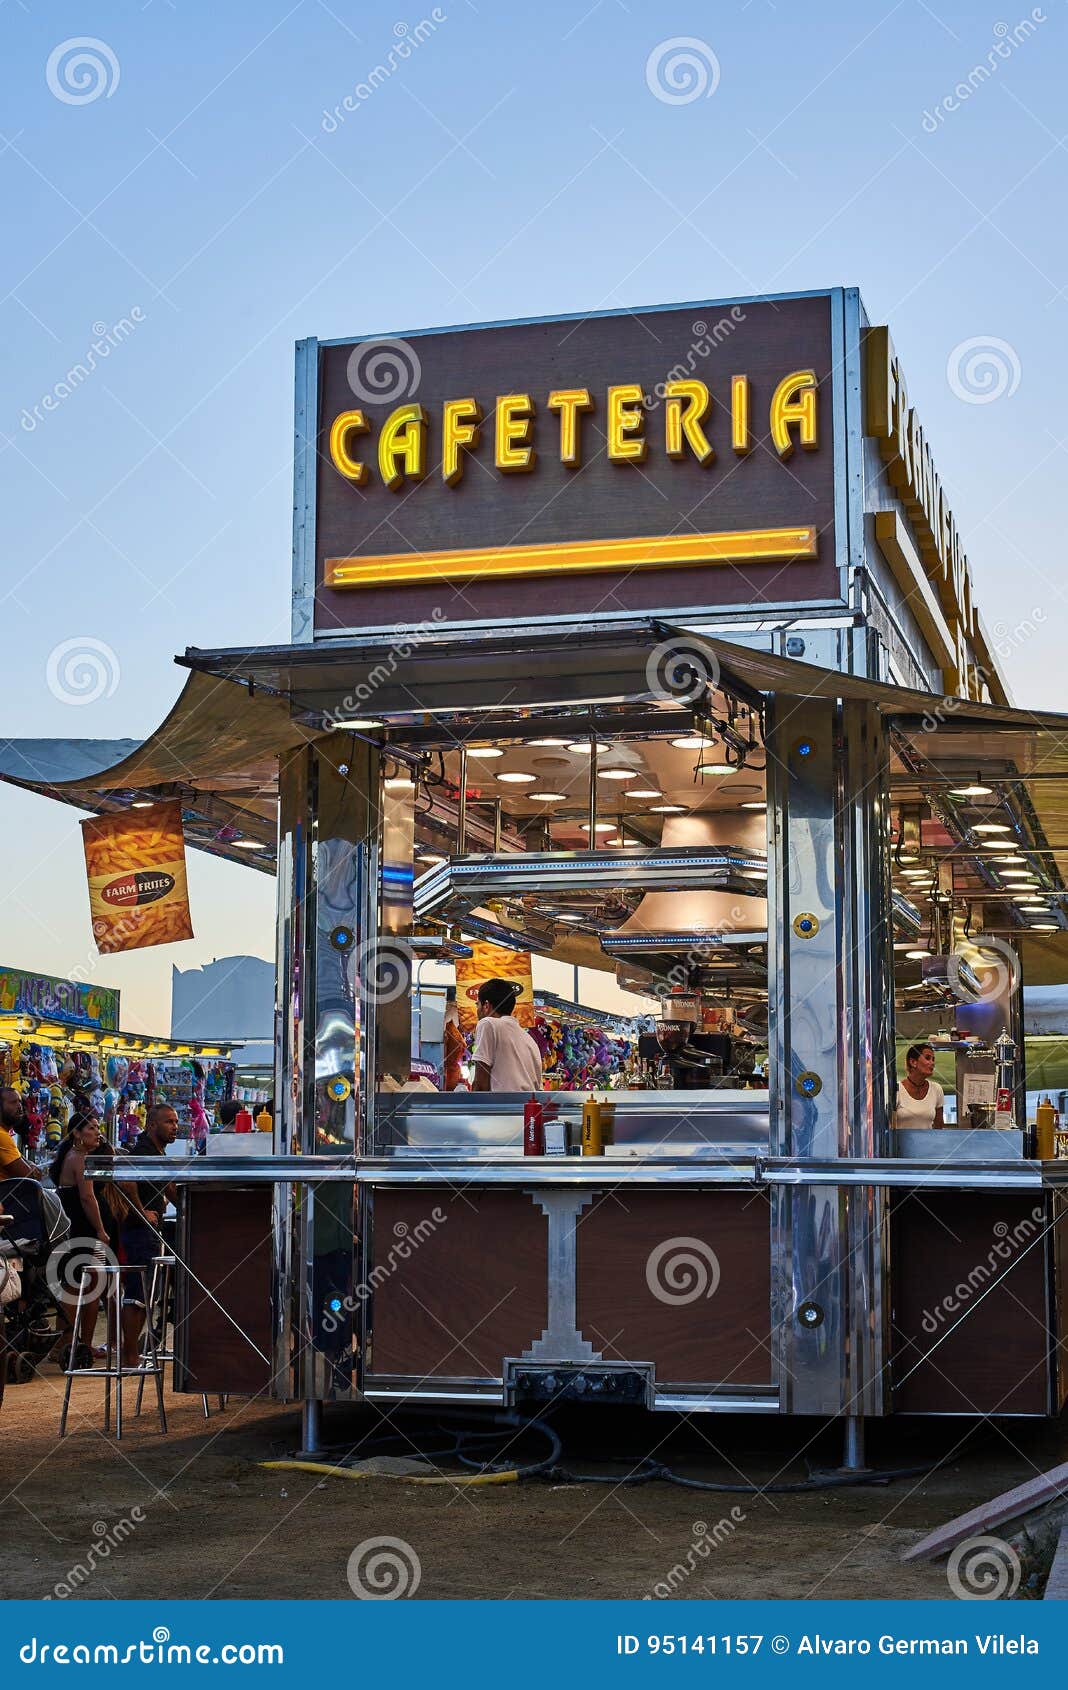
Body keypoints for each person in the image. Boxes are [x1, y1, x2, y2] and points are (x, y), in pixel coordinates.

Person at [50, 1112, 111, 1367]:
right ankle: (75, 1344)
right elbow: (87, 1198)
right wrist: (100, 1230)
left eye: (98, 1127)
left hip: (71, 1226)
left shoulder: (69, 1156)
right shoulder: (79, 1158)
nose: (97, 1132)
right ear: (76, 1133)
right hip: (81, 1227)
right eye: (91, 1128)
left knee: (80, 1284)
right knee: (84, 1285)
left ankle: (72, 1343)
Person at [120, 1103, 178, 1367]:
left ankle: (132, 1354)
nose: (174, 1127)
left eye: (176, 1122)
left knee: (147, 1295)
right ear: (152, 1125)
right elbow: (125, 1182)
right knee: (139, 1294)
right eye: (168, 1122)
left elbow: (169, 1187)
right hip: (139, 1232)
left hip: (150, 1230)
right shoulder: (143, 1151)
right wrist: (142, 1211)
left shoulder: (157, 1152)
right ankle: (129, 1355)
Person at [471, 977, 543, 1093]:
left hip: (500, 1108)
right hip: (527, 1108)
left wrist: (471, 1108)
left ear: (486, 1005)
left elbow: (480, 1083)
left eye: (477, 1004)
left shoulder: (488, 1024)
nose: (477, 1010)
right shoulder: (529, 1039)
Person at [896, 1042, 945, 1130]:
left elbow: (939, 1126)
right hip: (901, 1143)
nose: (932, 1063)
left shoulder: (936, 1089)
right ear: (913, 1062)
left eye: (933, 1059)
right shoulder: (896, 1089)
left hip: (928, 1143)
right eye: (927, 1058)